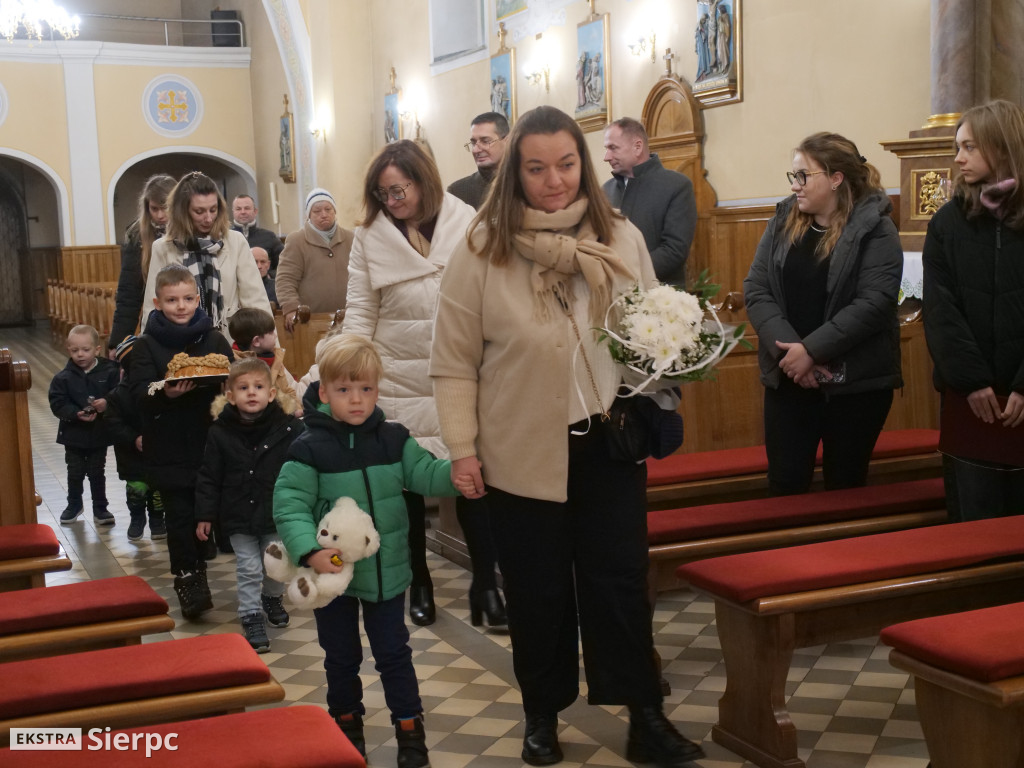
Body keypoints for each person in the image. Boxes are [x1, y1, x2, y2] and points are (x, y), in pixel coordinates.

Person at [430, 105, 704, 767]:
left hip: (608, 444)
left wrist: (673, 364)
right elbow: (453, 362)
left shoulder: (621, 237)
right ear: (513, 173)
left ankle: (645, 715)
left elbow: (648, 333)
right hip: (520, 451)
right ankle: (541, 715)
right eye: (536, 168)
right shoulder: (480, 251)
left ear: (583, 164)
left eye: (566, 164)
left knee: (619, 583)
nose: (553, 181)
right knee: (538, 591)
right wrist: (463, 449)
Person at [273, 334, 462, 767]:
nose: (356, 400)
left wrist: (466, 470)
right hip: (332, 577)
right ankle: (346, 725)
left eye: (366, 389)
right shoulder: (308, 448)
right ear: (324, 393)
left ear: (377, 390)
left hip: (387, 573)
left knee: (394, 653)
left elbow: (429, 475)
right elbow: (290, 505)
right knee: (341, 656)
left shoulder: (394, 440)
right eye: (344, 390)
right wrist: (308, 551)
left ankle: (410, 730)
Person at [345, 139, 506, 630]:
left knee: (474, 481)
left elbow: (494, 293)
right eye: (383, 193)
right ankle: (420, 581)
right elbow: (360, 310)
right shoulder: (370, 235)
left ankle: (487, 583)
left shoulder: (466, 221)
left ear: (423, 182)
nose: (392, 201)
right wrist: (341, 370)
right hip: (398, 376)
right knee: (409, 489)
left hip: (461, 372)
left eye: (400, 190)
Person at [743, 132, 903, 496]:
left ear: (835, 178)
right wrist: (792, 355)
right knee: (785, 486)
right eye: (793, 176)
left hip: (854, 387)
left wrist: (812, 352)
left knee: (844, 488)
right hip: (788, 379)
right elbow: (757, 288)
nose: (795, 185)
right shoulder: (784, 220)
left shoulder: (876, 228)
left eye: (804, 175)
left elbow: (874, 303)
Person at [923, 99, 1024, 520]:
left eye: (970, 147)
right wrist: (972, 381)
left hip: (1022, 395)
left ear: (1001, 147)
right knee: (974, 522)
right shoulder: (948, 222)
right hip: (970, 399)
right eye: (957, 147)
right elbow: (940, 308)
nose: (958, 158)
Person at [130, 264, 233, 619]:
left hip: (209, 441)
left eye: (188, 299)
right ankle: (188, 580)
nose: (181, 306)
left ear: (198, 299)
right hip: (170, 444)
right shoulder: (146, 345)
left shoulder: (214, 339)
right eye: (172, 300)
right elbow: (138, 393)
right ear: (158, 303)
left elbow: (231, 379)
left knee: (206, 509)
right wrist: (166, 393)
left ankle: (204, 558)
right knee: (178, 513)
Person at [196, 357, 303, 652]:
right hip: (237, 512)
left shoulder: (288, 428)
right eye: (243, 387)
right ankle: (251, 614)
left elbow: (304, 467)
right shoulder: (220, 432)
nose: (251, 392)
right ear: (231, 396)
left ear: (271, 394)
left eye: (258, 386)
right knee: (249, 567)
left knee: (275, 565)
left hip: (274, 512)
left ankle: (272, 598)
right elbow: (209, 476)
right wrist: (205, 514)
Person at [143, 171, 272, 345]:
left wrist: (269, 349)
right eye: (199, 211)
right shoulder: (163, 247)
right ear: (183, 212)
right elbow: (152, 308)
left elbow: (256, 301)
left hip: (230, 342)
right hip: (180, 344)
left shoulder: (235, 241)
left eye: (213, 209)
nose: (209, 218)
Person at [602, 117, 697, 286]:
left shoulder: (676, 186)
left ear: (637, 147)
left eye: (613, 148)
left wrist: (626, 272)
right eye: (607, 149)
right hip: (613, 293)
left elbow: (674, 250)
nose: (606, 157)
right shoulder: (605, 191)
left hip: (660, 296)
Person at [49, 324, 120, 526]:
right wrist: (75, 414)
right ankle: (74, 504)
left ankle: (100, 508)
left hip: (99, 433)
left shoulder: (110, 371)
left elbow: (119, 392)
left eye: (85, 350)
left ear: (97, 349)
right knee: (75, 471)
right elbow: (57, 403)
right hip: (73, 433)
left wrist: (106, 402)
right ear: (68, 349)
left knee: (97, 471)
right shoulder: (63, 378)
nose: (80, 355)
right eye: (74, 350)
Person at [104, 335, 166, 541]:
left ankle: (157, 519)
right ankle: (137, 518)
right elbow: (113, 424)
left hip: (157, 451)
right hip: (130, 454)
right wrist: (133, 438)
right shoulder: (118, 395)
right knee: (136, 490)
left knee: (158, 490)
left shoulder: (160, 390)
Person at [110, 174, 176, 354]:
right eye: (154, 209)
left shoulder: (192, 233)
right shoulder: (137, 236)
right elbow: (128, 295)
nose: (160, 215)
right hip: (156, 321)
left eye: (166, 208)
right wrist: (118, 342)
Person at [275, 188, 354, 333]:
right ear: (309, 215)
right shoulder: (297, 240)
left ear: (334, 211)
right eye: (317, 211)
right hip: (310, 322)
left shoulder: (351, 238)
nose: (323, 214)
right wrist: (291, 308)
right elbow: (285, 279)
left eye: (328, 209)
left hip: (349, 319)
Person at [227, 306, 300, 413]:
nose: (275, 335)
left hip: (280, 418)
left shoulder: (275, 359)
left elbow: (287, 390)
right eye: (271, 332)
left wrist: (297, 408)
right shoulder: (234, 365)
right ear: (256, 341)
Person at [448, 111, 510, 211]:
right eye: (473, 143)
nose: (476, 150)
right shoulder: (458, 192)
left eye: (485, 141)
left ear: (507, 141)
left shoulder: (524, 184)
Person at [231, 194, 284, 273]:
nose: (243, 212)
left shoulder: (269, 237)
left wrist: (269, 277)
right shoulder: (224, 237)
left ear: (255, 211)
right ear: (233, 212)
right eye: (238, 209)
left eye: (247, 208)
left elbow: (284, 265)